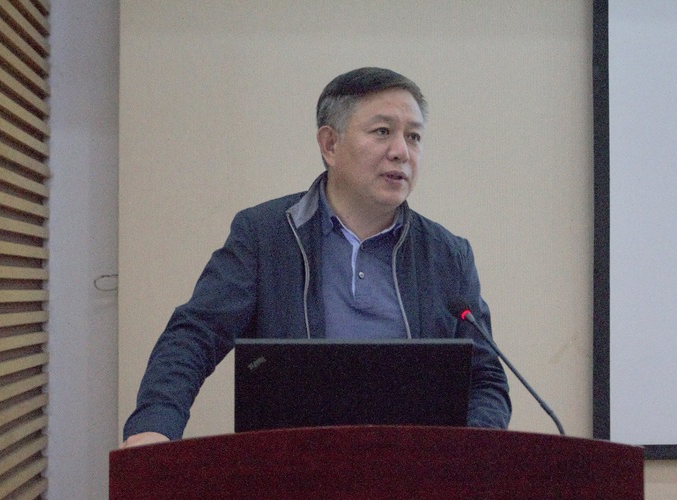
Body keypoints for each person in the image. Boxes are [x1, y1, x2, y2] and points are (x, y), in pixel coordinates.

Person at [122, 67, 511, 448]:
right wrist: (155, 425)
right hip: (292, 470)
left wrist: (467, 454)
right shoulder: (265, 236)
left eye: (414, 137)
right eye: (382, 132)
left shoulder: (446, 254)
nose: (401, 152)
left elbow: (486, 379)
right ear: (330, 145)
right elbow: (194, 337)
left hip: (415, 474)